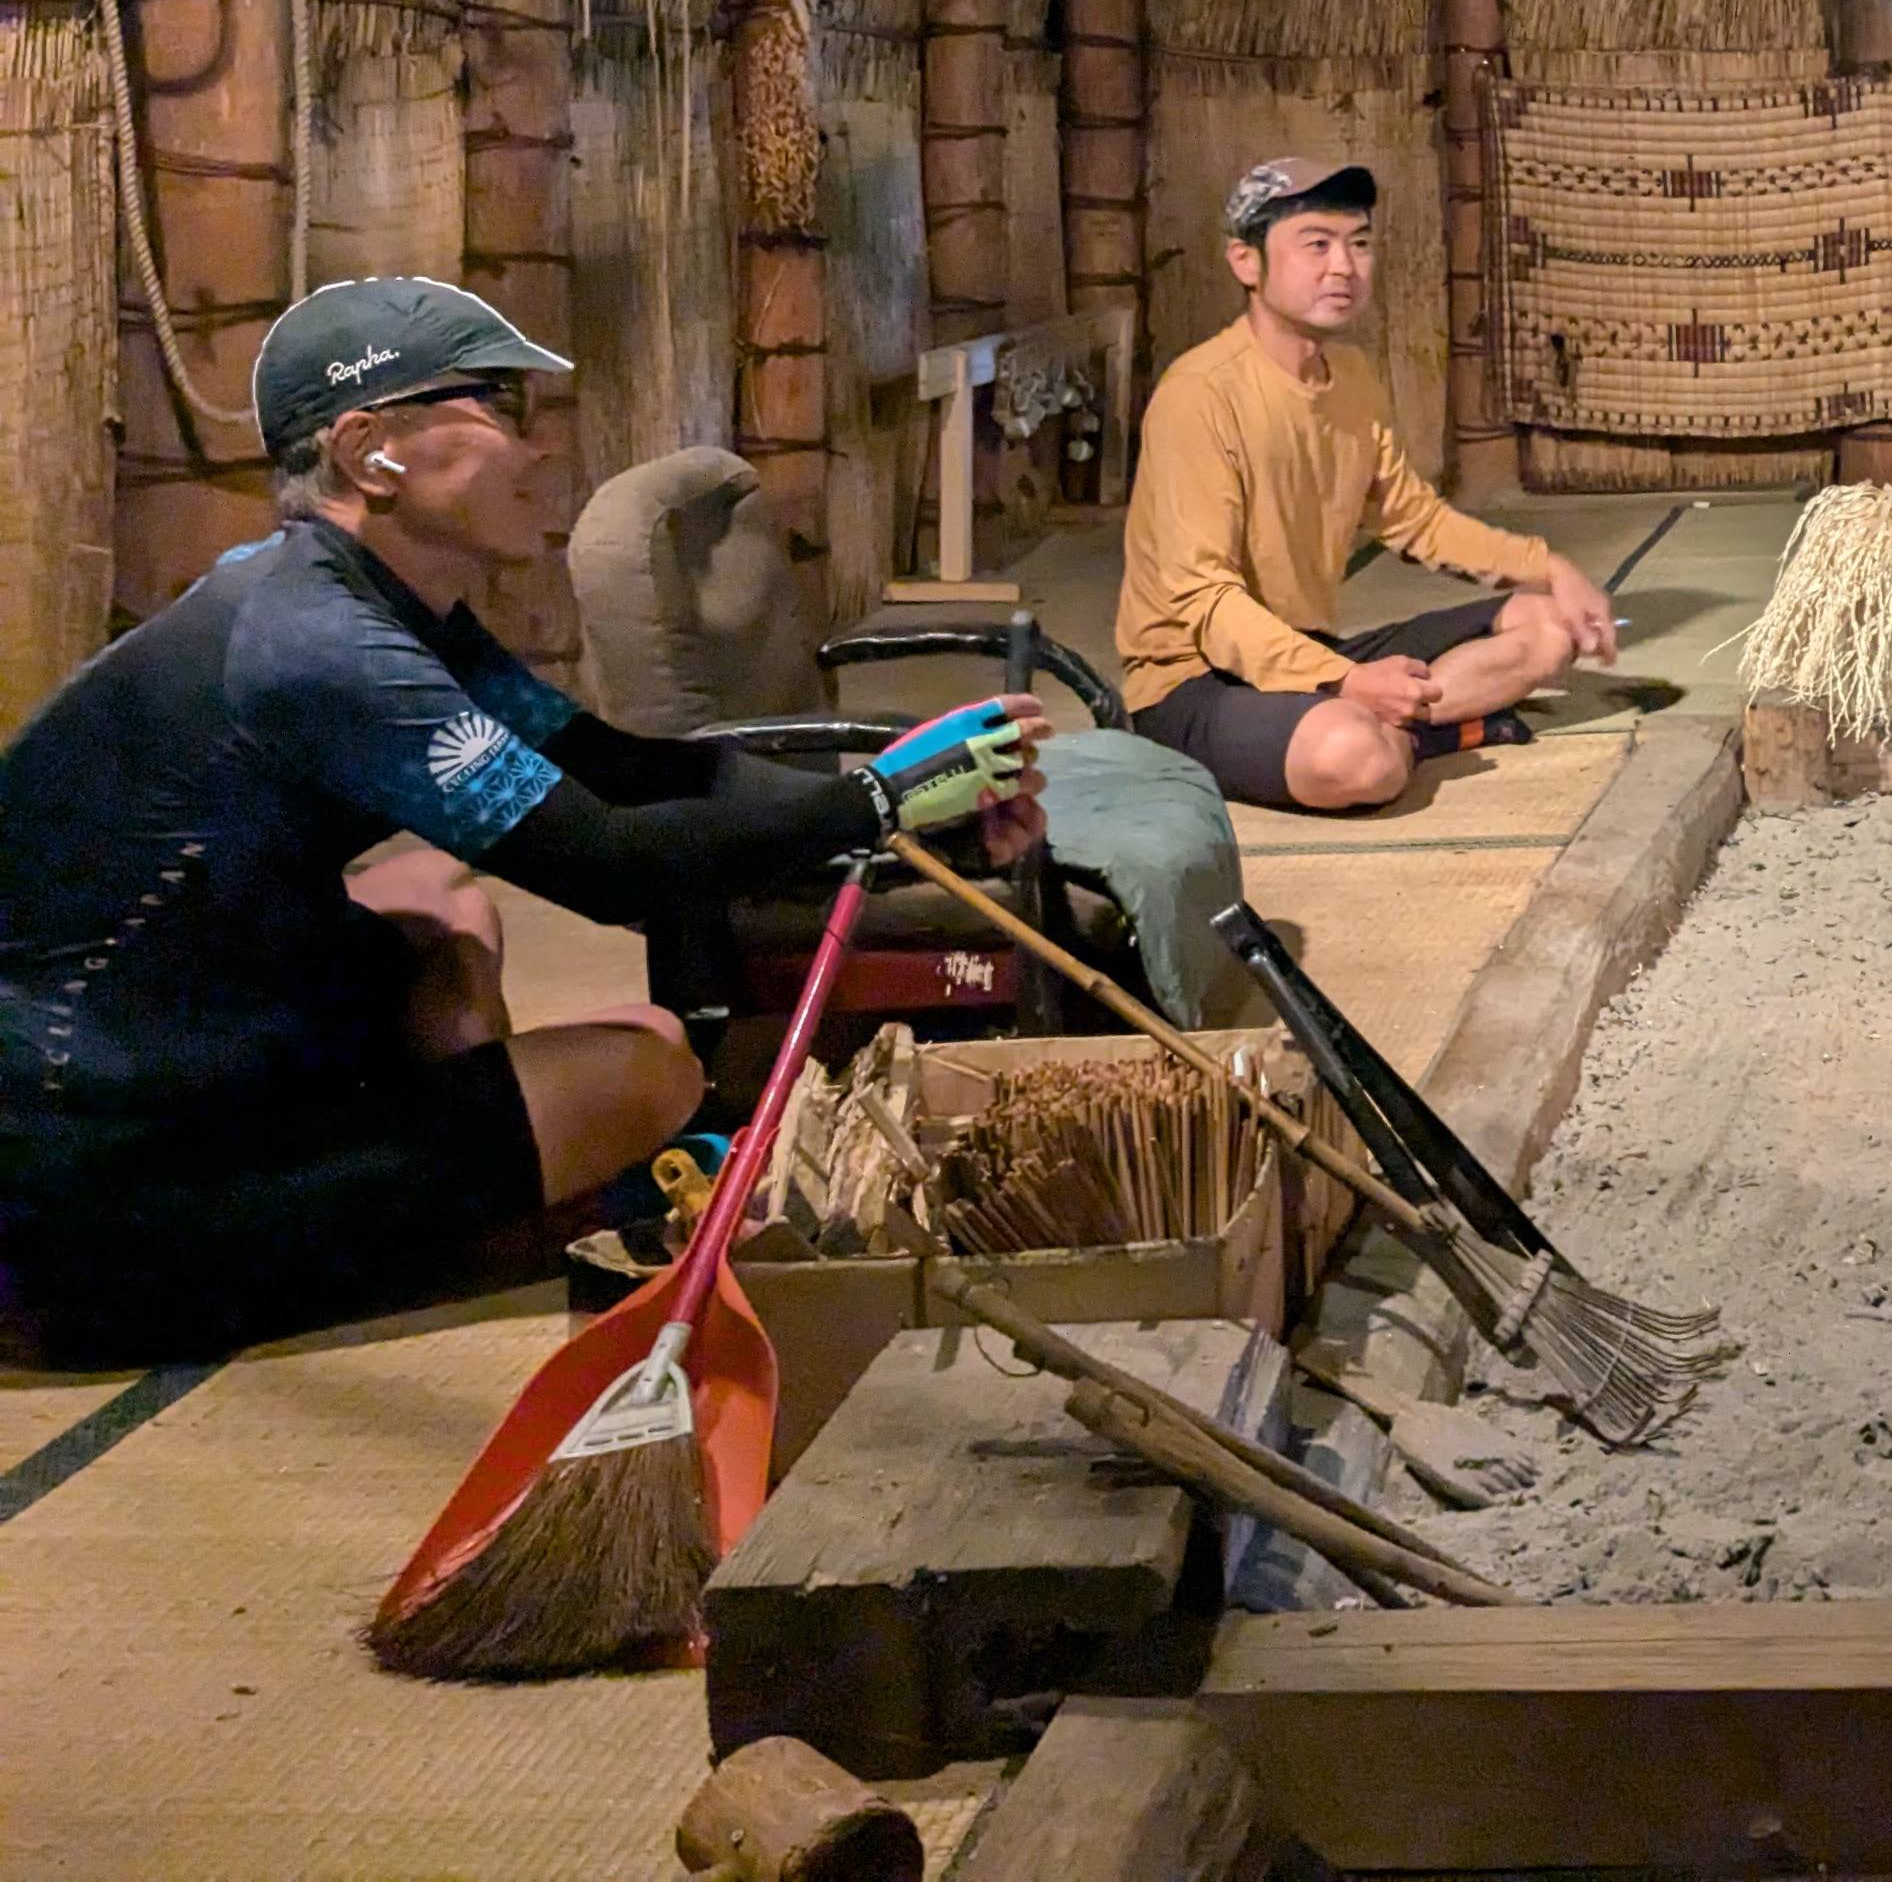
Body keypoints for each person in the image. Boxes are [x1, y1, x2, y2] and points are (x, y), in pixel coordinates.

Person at [0, 277, 1047, 1363]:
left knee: (443, 904)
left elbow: (622, 773)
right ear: (373, 454)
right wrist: (875, 802)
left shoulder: (363, 600)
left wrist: (915, 807)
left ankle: (457, 1177)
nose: (542, 445)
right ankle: (464, 1209)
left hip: (183, 1053)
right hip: (92, 1203)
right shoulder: (322, 650)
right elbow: (611, 866)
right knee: (650, 1068)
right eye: (499, 404)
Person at [1121, 159, 1620, 813]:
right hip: (1197, 681)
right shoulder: (1199, 395)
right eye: (1316, 245)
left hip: (1309, 651)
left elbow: (1416, 521)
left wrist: (1549, 567)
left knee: (1549, 630)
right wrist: (1349, 681)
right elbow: (1208, 605)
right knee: (1356, 760)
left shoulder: (1350, 376)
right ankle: (1415, 735)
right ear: (1246, 262)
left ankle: (1395, 726)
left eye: (1358, 244)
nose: (1343, 268)